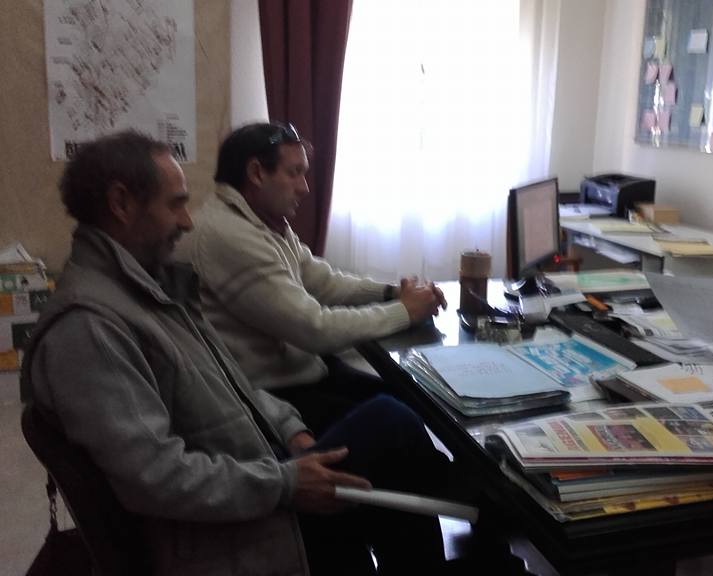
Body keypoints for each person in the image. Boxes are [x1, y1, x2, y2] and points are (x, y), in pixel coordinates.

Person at [22, 130, 452, 575]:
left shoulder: (148, 291)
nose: (187, 222)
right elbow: (155, 477)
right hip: (222, 535)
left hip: (253, 475)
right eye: (175, 204)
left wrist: (291, 430)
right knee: (390, 425)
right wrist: (285, 483)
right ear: (121, 203)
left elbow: (233, 382)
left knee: (388, 458)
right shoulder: (89, 328)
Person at [176, 122, 446, 432]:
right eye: (294, 173)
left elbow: (323, 281)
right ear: (257, 173)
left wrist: (392, 293)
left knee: (412, 397)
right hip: (270, 398)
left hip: (301, 371)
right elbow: (315, 328)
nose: (304, 187)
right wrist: (405, 311)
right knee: (400, 419)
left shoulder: (261, 220)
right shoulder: (227, 234)